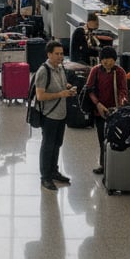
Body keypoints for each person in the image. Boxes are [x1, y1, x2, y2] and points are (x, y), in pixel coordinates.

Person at [33, 40, 77, 192]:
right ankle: (45, 176)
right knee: (48, 145)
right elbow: (40, 96)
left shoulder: (60, 68)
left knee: (57, 144)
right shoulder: (43, 71)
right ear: (49, 54)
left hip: (61, 114)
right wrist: (60, 94)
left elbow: (62, 84)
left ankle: (54, 171)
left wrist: (68, 88)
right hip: (49, 115)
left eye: (62, 54)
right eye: (57, 54)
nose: (60, 56)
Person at [84, 46, 129, 174]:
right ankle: (104, 165)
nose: (106, 62)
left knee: (115, 139)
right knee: (102, 138)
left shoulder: (120, 72)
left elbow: (123, 91)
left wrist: (121, 103)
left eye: (109, 59)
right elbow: (89, 89)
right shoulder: (96, 71)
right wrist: (97, 104)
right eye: (103, 59)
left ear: (114, 60)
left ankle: (114, 165)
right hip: (100, 112)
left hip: (115, 112)